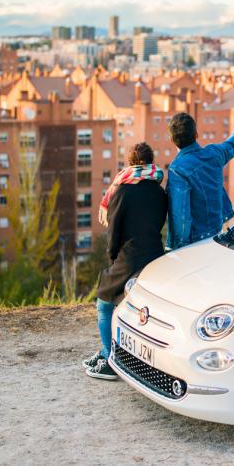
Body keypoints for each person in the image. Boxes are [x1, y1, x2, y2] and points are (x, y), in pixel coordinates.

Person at [83, 142, 167, 380]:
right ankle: (105, 352)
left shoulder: (122, 191)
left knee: (104, 303)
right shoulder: (160, 192)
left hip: (128, 257)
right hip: (154, 256)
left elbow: (114, 232)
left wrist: (112, 258)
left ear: (131, 163)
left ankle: (111, 360)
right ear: (150, 163)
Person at [166, 112, 234, 249]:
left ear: (172, 140)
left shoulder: (177, 169)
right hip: (217, 233)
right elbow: (230, 146)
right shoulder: (213, 153)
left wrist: (176, 249)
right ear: (196, 134)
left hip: (195, 243)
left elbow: (181, 217)